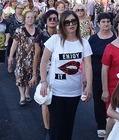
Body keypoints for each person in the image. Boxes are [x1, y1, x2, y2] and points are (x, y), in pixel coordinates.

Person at [39, 10, 93, 140]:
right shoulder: (55, 40)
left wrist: (89, 85)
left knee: (68, 126)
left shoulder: (84, 43)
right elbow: (44, 61)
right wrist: (43, 81)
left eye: (74, 21)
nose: (71, 24)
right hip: (56, 90)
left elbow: (88, 65)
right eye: (67, 22)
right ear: (62, 24)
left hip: (74, 92)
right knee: (57, 126)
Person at [31, 10, 58, 140]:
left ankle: (56, 125)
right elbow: (37, 57)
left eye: (55, 19)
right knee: (46, 101)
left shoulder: (63, 36)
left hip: (60, 72)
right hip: (45, 72)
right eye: (50, 19)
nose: (52, 21)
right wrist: (35, 75)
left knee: (58, 101)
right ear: (46, 22)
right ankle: (47, 128)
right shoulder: (40, 37)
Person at [89, 13, 116, 138]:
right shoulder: (93, 39)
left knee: (114, 98)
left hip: (113, 74)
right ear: (98, 24)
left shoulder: (115, 38)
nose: (106, 24)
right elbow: (88, 59)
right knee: (99, 100)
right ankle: (101, 125)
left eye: (108, 21)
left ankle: (110, 119)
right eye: (103, 22)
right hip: (96, 75)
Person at [8, 11, 40, 106]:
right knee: (20, 76)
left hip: (34, 58)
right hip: (21, 57)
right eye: (28, 17)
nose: (30, 19)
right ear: (25, 19)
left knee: (30, 76)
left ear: (34, 19)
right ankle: (22, 96)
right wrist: (10, 57)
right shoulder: (19, 30)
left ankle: (27, 92)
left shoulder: (39, 31)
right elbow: (14, 44)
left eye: (32, 17)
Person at [6, 3, 24, 73]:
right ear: (15, 9)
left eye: (21, 8)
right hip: (11, 37)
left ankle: (18, 67)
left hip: (21, 38)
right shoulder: (11, 17)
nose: (19, 9)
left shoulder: (24, 17)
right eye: (18, 8)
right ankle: (9, 65)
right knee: (10, 52)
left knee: (19, 53)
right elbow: (7, 27)